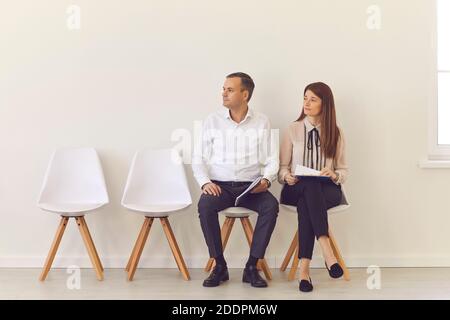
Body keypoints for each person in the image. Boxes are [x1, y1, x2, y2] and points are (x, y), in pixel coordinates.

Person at [192, 72, 279, 288]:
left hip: (251, 187)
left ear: (245, 94)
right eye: (223, 88)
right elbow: (198, 158)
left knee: (271, 206)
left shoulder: (262, 121)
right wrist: (205, 183)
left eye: (229, 89)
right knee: (205, 206)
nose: (223, 93)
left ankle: (252, 267)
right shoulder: (212, 121)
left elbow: (272, 159)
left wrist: (267, 181)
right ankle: (219, 266)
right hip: (219, 186)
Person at [278, 82, 348, 293]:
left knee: (308, 200)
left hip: (327, 189)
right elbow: (282, 168)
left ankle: (304, 270)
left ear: (324, 104)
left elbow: (344, 170)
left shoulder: (335, 132)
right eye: (305, 98)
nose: (307, 103)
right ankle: (327, 251)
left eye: (313, 99)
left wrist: (335, 174)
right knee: (308, 184)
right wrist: (286, 176)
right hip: (295, 186)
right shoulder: (292, 129)